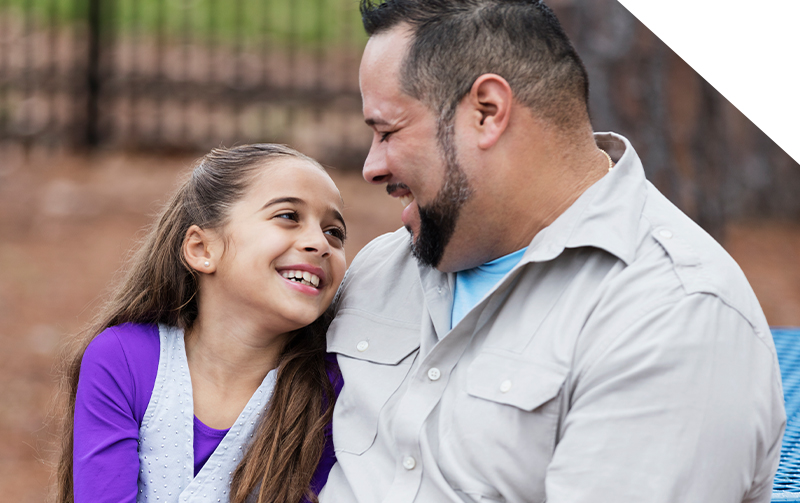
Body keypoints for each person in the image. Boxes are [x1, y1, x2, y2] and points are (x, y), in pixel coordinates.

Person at [320, 1, 786, 502]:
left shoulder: (673, 314)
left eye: (388, 131)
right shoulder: (382, 268)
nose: (371, 166)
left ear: (487, 112)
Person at [56, 144, 347, 503]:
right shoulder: (124, 359)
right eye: (288, 216)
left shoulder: (332, 389)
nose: (320, 243)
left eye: (334, 232)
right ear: (202, 249)